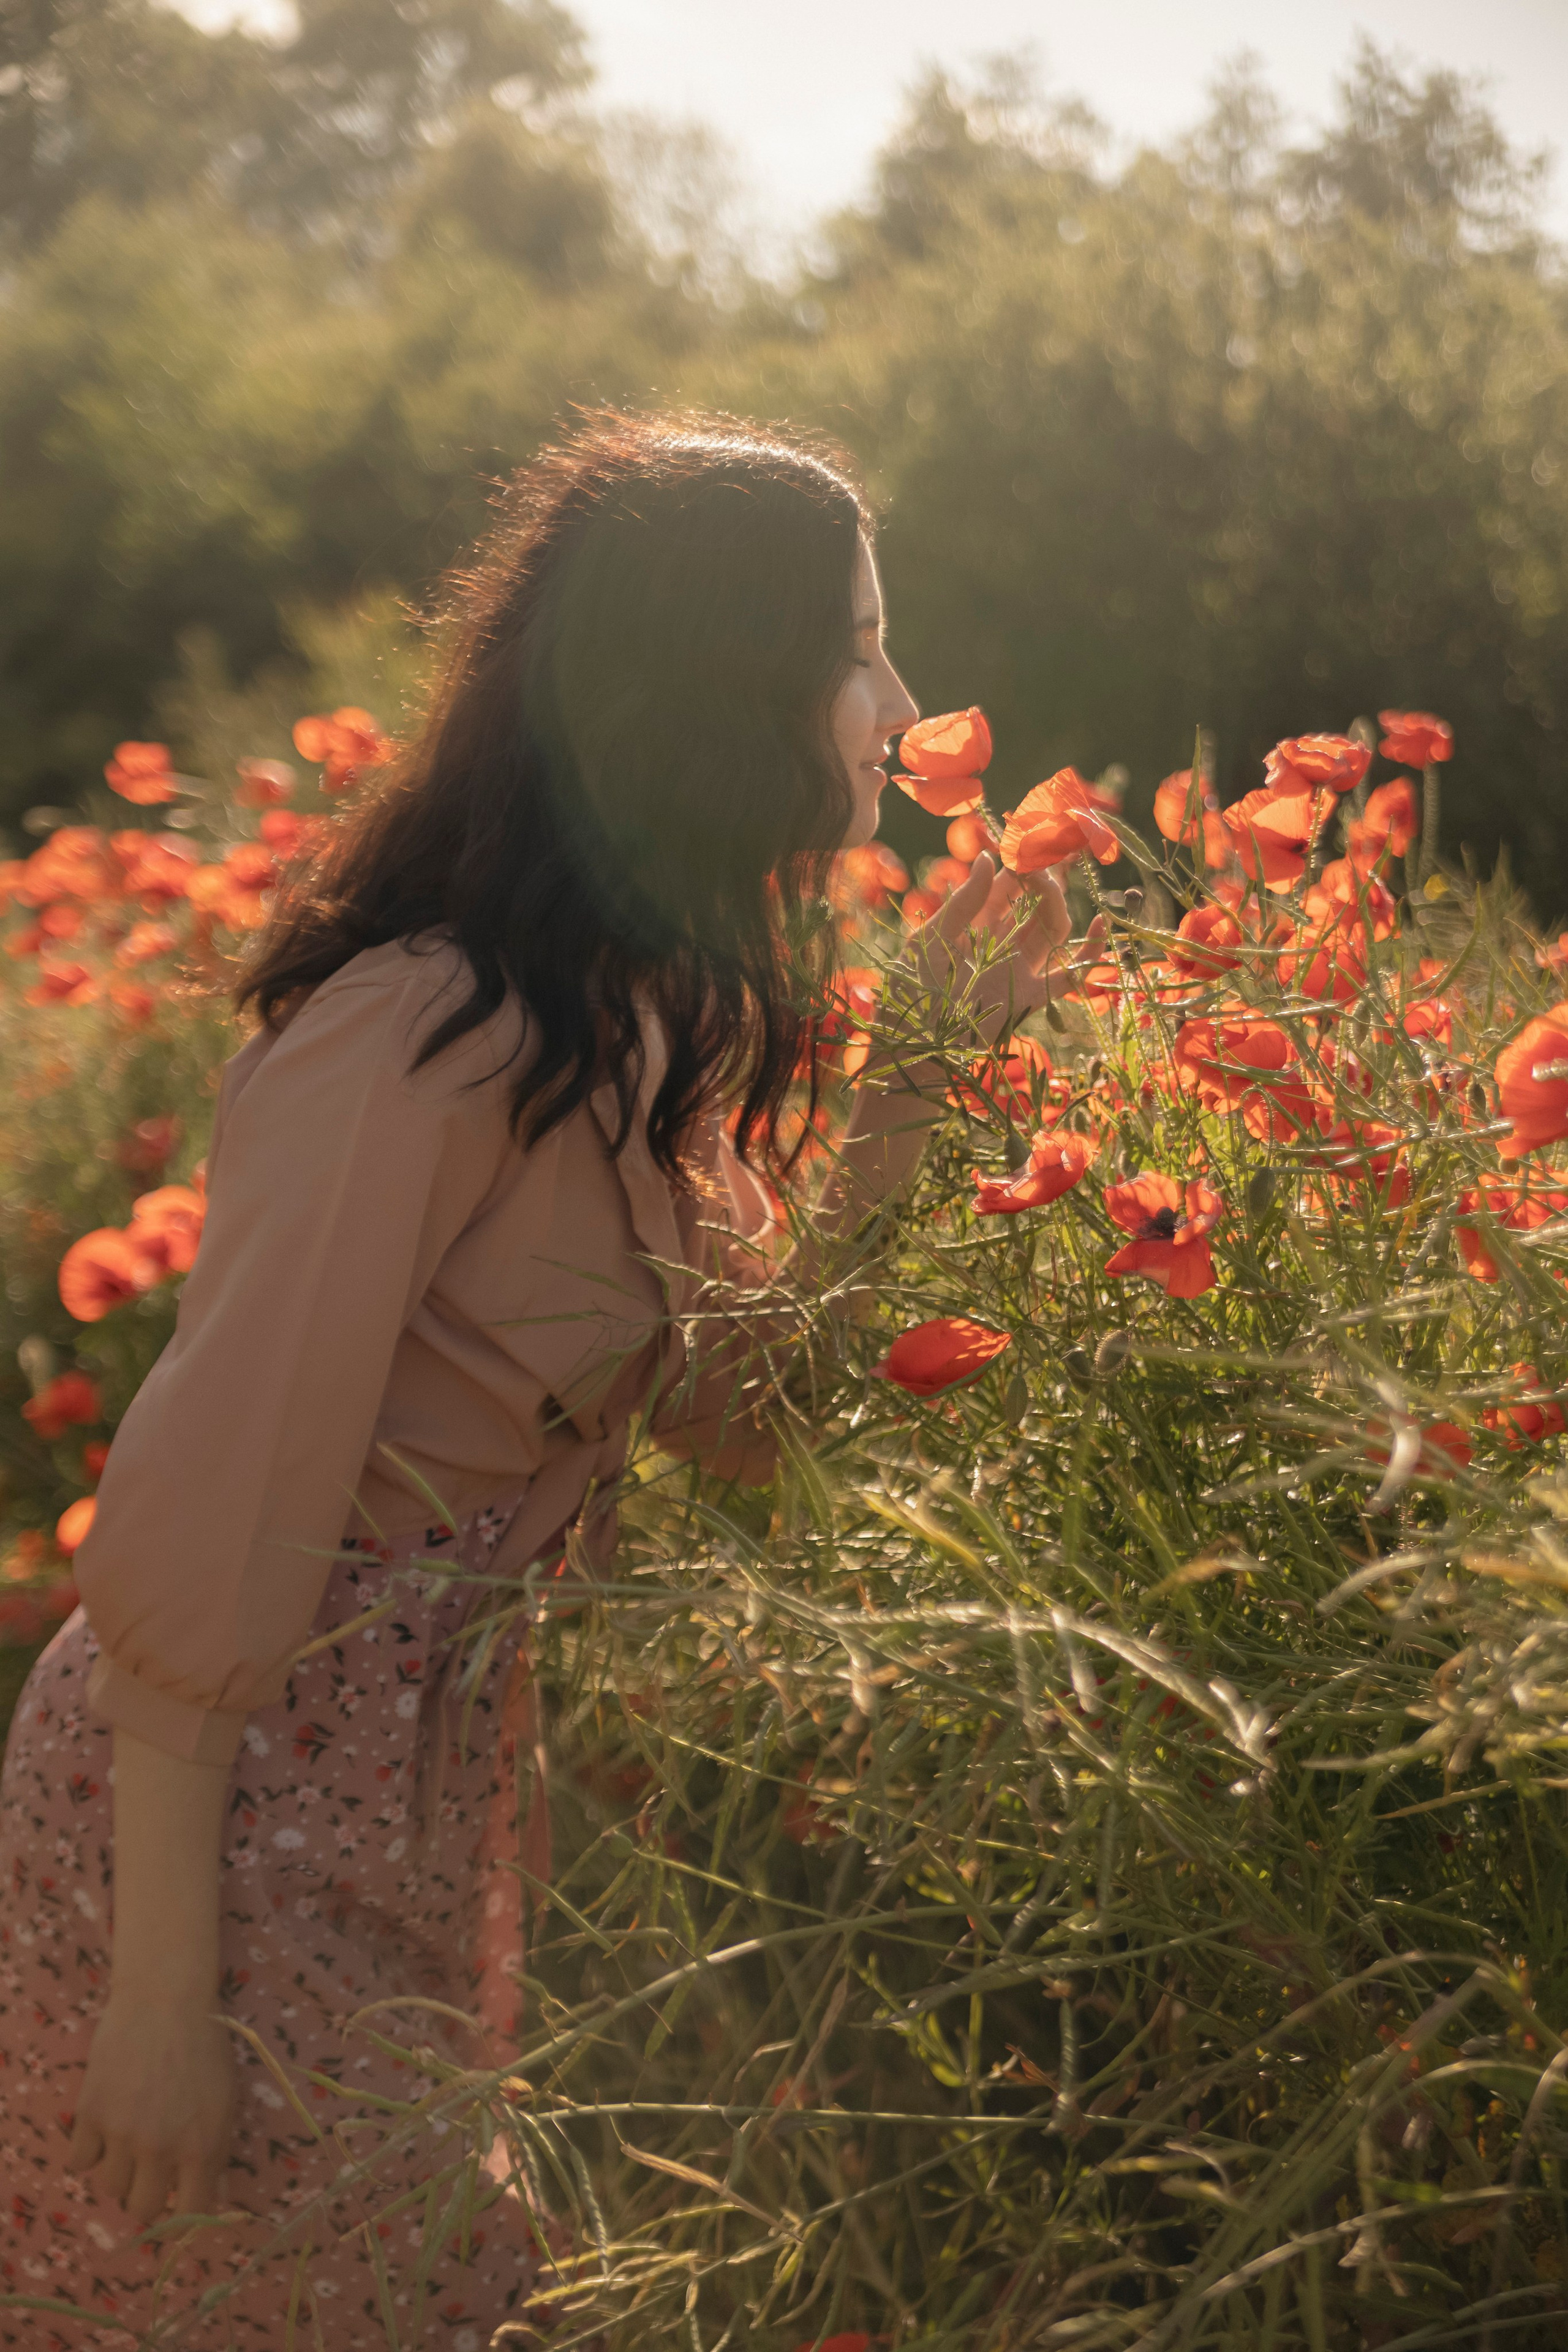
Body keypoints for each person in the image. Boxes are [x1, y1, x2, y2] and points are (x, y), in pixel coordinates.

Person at [0, 409, 1072, 2346]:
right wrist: (163, 1990)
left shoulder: (633, 1028)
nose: (899, 703)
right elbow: (211, 1504)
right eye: (857, 643)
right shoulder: (427, 1031)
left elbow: (751, 1421)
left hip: (410, 1779)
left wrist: (918, 1082)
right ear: (716, 677)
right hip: (214, 1799)